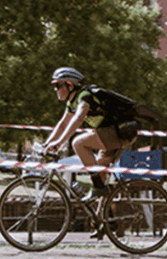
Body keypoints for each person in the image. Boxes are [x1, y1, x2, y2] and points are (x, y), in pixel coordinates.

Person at [44, 67, 141, 201]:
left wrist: (59, 143)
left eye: (58, 85)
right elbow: (62, 124)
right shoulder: (71, 102)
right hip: (107, 133)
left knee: (78, 143)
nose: (55, 89)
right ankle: (105, 219)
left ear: (70, 85)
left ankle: (101, 190)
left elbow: (78, 118)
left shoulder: (85, 96)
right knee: (99, 178)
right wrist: (47, 143)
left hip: (121, 131)